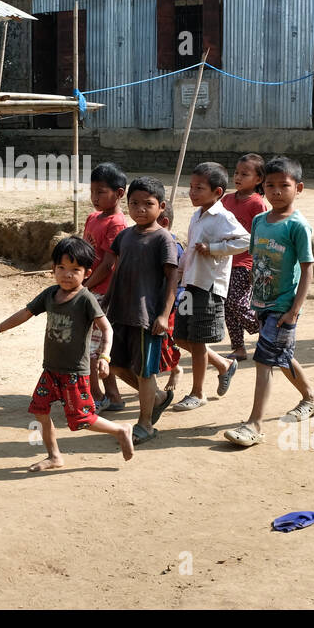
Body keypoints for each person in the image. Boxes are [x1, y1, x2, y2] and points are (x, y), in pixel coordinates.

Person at [0, 236, 134, 471]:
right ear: (53, 268)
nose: (67, 274)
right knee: (39, 409)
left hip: (75, 373)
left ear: (87, 273)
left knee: (82, 420)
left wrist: (104, 357)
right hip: (51, 370)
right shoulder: (50, 294)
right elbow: (24, 313)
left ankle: (120, 429)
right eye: (61, 268)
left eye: (75, 269)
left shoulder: (85, 299)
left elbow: (107, 329)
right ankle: (54, 456)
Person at [221, 157, 314, 448]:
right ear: (262, 187)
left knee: (264, 360)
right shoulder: (259, 221)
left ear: (299, 188)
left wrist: (294, 310)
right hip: (262, 303)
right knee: (280, 355)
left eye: (284, 186)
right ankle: (312, 398)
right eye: (270, 185)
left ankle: (254, 425)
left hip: (284, 306)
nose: (277, 191)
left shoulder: (298, 226)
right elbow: (257, 261)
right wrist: (254, 298)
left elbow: (308, 269)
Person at [100, 177, 180, 445]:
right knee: (118, 366)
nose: (140, 209)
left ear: (161, 206)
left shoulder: (163, 239)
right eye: (134, 203)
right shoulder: (124, 236)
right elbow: (117, 271)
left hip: (147, 318)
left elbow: (172, 279)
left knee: (146, 372)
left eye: (148, 204)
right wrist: (105, 301)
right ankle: (157, 398)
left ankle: (145, 424)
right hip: (120, 314)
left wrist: (163, 315)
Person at [173, 162, 246, 409]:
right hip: (189, 284)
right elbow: (191, 249)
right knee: (181, 336)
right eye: (191, 187)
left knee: (198, 339)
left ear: (217, 192)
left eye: (199, 188)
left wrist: (215, 249)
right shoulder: (196, 216)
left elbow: (246, 240)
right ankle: (224, 365)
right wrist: (178, 276)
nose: (192, 192)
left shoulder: (223, 217)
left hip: (208, 286)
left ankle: (198, 393)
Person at [82, 163, 130, 410]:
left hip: (102, 294)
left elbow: (109, 264)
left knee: (92, 349)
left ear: (119, 193)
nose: (94, 197)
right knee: (95, 348)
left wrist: (84, 286)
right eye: (92, 191)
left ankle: (98, 396)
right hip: (89, 289)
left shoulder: (117, 223)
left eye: (101, 192)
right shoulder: (92, 218)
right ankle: (111, 395)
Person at [221, 154, 269, 361]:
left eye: (244, 174)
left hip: (245, 262)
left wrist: (257, 267)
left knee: (236, 302)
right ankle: (238, 347)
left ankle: (265, 332)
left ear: (258, 179)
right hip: (224, 260)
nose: (238, 177)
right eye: (236, 173)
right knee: (226, 306)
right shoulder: (226, 200)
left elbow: (262, 236)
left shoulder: (257, 204)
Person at [157, 202, 186, 398]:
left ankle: (175, 369)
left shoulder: (173, 247)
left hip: (173, 303)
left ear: (164, 222)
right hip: (154, 301)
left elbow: (177, 279)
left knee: (168, 339)